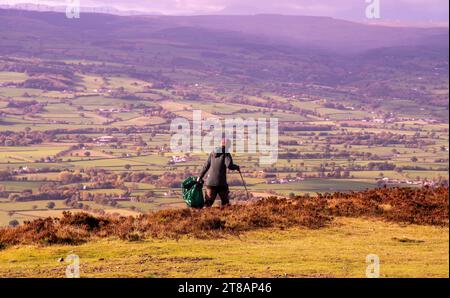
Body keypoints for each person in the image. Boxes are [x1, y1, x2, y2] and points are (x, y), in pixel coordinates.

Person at [197, 138, 240, 207]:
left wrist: (200, 177)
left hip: (210, 182)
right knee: (225, 202)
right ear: (228, 145)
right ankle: (226, 217)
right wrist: (237, 167)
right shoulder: (226, 153)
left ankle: (203, 216)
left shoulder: (212, 152)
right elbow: (229, 165)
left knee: (208, 203)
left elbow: (206, 166)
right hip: (221, 183)